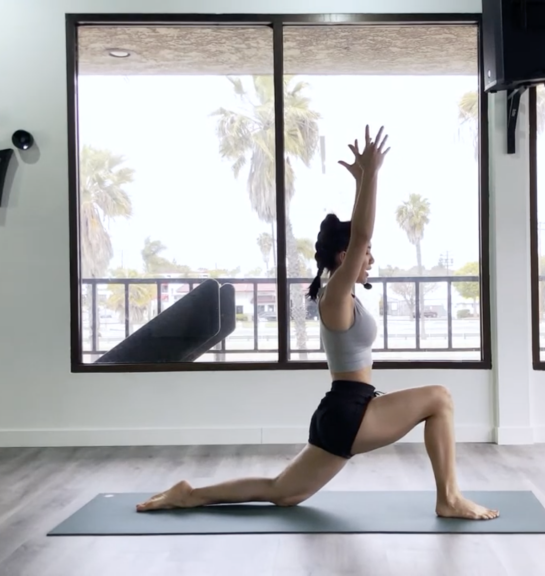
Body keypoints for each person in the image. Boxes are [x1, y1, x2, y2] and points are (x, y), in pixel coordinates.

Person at [136, 126, 498, 520]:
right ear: (344, 257)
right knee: (440, 397)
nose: (371, 260)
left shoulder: (338, 291)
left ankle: (191, 493)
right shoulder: (336, 294)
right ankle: (449, 498)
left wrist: (360, 181)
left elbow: (357, 236)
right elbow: (361, 234)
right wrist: (372, 175)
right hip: (350, 412)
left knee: (283, 492)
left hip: (342, 412)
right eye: (366, 254)